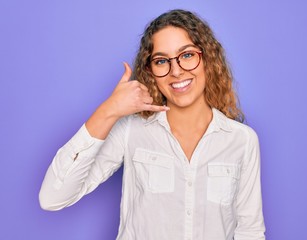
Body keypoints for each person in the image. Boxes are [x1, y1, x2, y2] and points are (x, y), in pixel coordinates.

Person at [39, 9, 266, 240]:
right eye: (161, 61)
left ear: (207, 58)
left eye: (187, 55)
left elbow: (251, 232)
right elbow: (52, 197)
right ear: (150, 72)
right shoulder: (130, 131)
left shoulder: (242, 140)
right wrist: (108, 110)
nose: (176, 71)